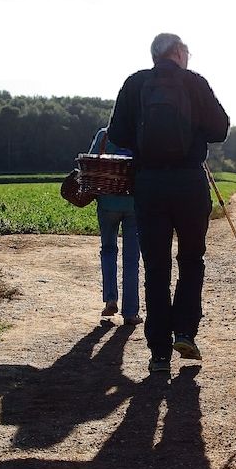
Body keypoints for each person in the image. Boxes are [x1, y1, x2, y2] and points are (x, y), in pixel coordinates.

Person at [107, 33, 230, 374]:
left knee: (156, 268)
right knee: (191, 260)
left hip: (149, 184)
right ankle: (186, 332)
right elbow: (220, 129)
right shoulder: (194, 83)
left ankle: (159, 352)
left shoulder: (135, 83)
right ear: (177, 52)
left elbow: (116, 134)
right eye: (187, 51)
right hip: (190, 183)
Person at [90, 127, 141, 325]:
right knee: (131, 258)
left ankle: (110, 299)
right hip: (134, 204)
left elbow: (91, 163)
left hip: (107, 203)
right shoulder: (137, 134)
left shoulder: (104, 135)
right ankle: (130, 312)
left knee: (108, 250)